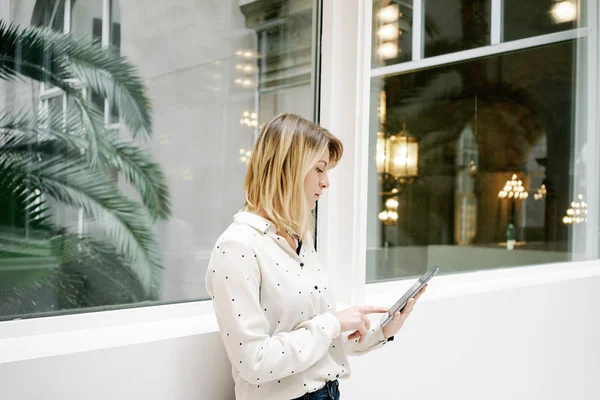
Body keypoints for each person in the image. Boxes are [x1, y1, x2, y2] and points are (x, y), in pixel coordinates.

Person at [205, 113, 426, 400]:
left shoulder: (300, 240)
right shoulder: (237, 247)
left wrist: (381, 332)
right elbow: (254, 362)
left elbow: (318, 342)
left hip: (328, 393)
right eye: (319, 169)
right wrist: (334, 322)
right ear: (289, 169)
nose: (326, 183)